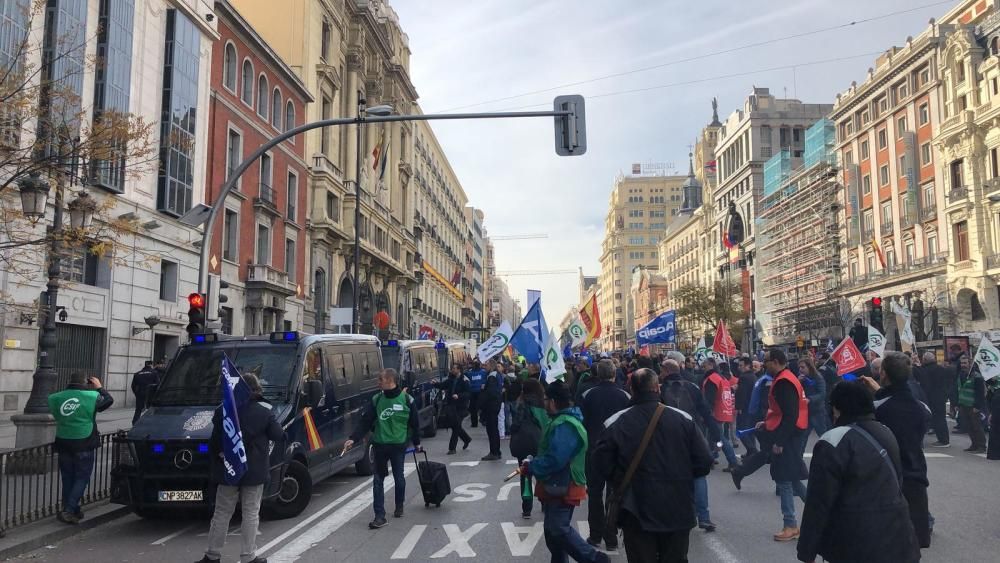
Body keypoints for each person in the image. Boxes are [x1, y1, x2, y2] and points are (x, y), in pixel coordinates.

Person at [593, 368, 712, 563]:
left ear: (632, 389)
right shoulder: (683, 419)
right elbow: (704, 461)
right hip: (677, 505)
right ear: (657, 388)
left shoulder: (617, 422)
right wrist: (682, 477)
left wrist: (621, 479)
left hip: (636, 507)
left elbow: (600, 463)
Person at [796, 381, 921, 563]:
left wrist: (807, 550)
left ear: (837, 408)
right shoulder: (886, 431)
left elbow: (819, 500)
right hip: (898, 534)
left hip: (854, 539)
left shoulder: (834, 440)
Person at [198, 373, 282, 563]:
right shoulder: (264, 411)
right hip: (254, 471)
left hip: (229, 469)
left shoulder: (223, 410)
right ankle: (248, 556)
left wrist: (220, 457)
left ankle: (212, 555)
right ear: (257, 389)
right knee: (251, 513)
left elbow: (213, 443)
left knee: (221, 513)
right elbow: (278, 435)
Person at [522, 380, 609, 563]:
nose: (543, 403)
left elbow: (556, 458)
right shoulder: (562, 421)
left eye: (546, 399)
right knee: (553, 535)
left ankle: (594, 559)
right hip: (558, 484)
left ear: (553, 401)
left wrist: (533, 466)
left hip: (564, 484)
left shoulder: (565, 425)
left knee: (558, 529)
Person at [864, 352, 932, 548]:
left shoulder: (878, 408)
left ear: (883, 373)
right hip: (916, 475)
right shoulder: (919, 407)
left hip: (889, 478)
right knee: (914, 543)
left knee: (889, 544)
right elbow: (905, 403)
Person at [344, 368, 422, 529]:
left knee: (399, 478)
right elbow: (365, 421)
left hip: (398, 446)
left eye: (380, 379)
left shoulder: (407, 400)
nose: (377, 382)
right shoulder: (376, 400)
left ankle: (399, 505)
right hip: (380, 445)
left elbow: (414, 423)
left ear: (390, 381)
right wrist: (353, 438)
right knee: (378, 480)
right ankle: (379, 516)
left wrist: (416, 442)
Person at [578, 359, 631, 551]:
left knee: (594, 493)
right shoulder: (624, 395)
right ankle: (611, 537)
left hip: (594, 450)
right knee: (614, 494)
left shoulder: (587, 394)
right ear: (614, 374)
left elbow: (580, 422)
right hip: (617, 452)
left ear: (598, 374)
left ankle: (595, 535)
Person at [660, 359, 718, 532]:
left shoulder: (660, 389)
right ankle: (704, 517)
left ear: (666, 370)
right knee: (699, 475)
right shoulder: (692, 387)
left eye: (661, 370)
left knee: (671, 477)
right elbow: (706, 413)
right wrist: (716, 437)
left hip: (669, 437)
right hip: (694, 435)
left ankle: (678, 513)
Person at [48, 372, 114, 524]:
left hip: (63, 439)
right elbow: (108, 401)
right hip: (84, 440)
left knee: (67, 477)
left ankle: (72, 508)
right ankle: (69, 510)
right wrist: (99, 387)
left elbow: (56, 414)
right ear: (86, 383)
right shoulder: (91, 396)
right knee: (82, 477)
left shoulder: (55, 397)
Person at [757, 348, 809, 542]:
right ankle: (821, 514)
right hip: (793, 433)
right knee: (793, 479)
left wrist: (779, 441)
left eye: (767, 361)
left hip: (789, 436)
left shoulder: (783, 381)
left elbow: (790, 414)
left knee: (785, 480)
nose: (764, 365)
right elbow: (783, 412)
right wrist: (767, 422)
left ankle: (790, 524)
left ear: (777, 361)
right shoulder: (787, 378)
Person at [510, 379, 549, 518]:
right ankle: (545, 502)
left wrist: (513, 431)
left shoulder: (522, 403)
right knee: (542, 474)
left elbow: (516, 423)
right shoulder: (544, 403)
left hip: (524, 443)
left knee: (525, 475)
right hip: (541, 442)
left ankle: (527, 508)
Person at [699, 358, 739, 472]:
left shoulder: (711, 379)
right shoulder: (720, 377)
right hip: (723, 410)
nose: (703, 368)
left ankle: (732, 461)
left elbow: (709, 398)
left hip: (715, 412)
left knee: (719, 437)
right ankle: (711, 458)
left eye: (704, 365)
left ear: (711, 365)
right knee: (713, 437)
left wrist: (705, 413)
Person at [917, 352, 952, 447]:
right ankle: (944, 439)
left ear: (925, 360)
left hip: (932, 398)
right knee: (941, 418)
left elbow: (925, 385)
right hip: (941, 397)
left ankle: (943, 440)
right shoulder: (942, 369)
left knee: (937, 419)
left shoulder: (926, 370)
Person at [955, 354, 987, 453]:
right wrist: (957, 404)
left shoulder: (977, 376)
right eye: (961, 363)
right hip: (964, 404)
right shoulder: (961, 374)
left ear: (970, 364)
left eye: (965, 363)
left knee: (976, 426)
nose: (963, 365)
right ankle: (974, 444)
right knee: (969, 426)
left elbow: (980, 393)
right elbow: (959, 390)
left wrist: (977, 406)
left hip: (973, 405)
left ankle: (981, 446)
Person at [437, 364, 471, 454]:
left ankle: (452, 448)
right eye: (452, 369)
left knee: (456, 426)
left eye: (454, 368)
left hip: (461, 407)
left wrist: (458, 396)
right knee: (455, 426)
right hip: (452, 406)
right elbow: (443, 385)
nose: (452, 370)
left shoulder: (464, 380)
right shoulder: (451, 379)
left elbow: (468, 393)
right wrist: (435, 384)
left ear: (459, 370)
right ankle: (466, 439)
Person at [480, 359, 504, 461]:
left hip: (491, 406)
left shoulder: (491, 377)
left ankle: (494, 452)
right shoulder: (496, 375)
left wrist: (482, 404)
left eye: (486, 364)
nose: (484, 366)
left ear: (491, 365)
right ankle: (496, 451)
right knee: (494, 429)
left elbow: (490, 393)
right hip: (495, 405)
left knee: (492, 430)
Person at [735, 357, 758, 454]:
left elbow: (742, 393)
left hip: (744, 407)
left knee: (741, 430)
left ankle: (752, 450)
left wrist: (739, 407)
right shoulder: (753, 376)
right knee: (749, 430)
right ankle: (750, 451)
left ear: (748, 365)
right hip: (751, 407)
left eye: (741, 365)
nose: (739, 368)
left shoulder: (744, 377)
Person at [130, 360, 160, 424]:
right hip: (151, 395)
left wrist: (136, 394)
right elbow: (158, 384)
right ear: (151, 365)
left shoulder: (137, 374)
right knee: (151, 409)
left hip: (140, 394)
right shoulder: (154, 373)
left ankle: (135, 422)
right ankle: (150, 423)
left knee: (138, 410)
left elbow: (133, 386)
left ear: (145, 365)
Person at [466, 360, 486, 428]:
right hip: (480, 392)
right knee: (482, 407)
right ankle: (483, 420)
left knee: (473, 409)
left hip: (473, 392)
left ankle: (475, 423)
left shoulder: (469, 373)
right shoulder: (483, 372)